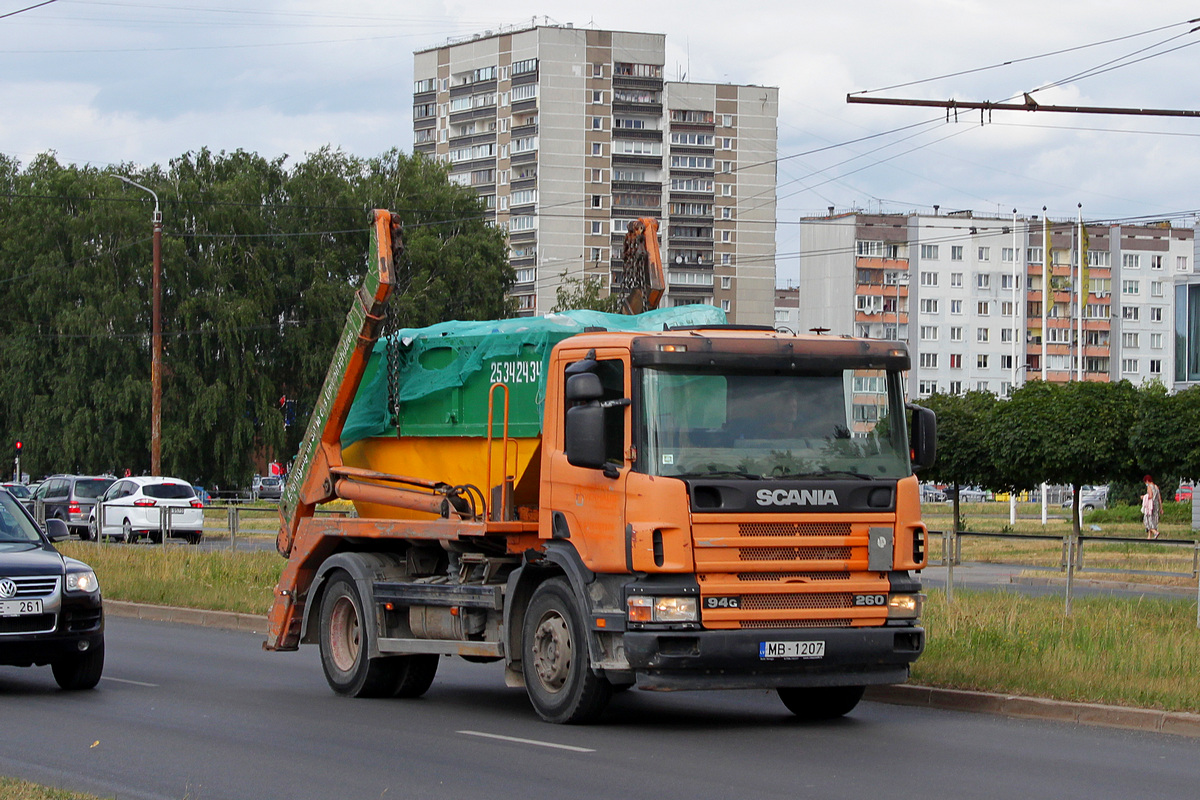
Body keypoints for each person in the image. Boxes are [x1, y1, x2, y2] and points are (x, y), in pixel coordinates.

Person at [1141, 474, 1162, 540]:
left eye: (1145, 482)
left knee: (1147, 520)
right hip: (1156, 506)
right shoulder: (1156, 487)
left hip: (1150, 506)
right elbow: (1159, 498)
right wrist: (1161, 508)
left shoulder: (1149, 487)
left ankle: (1155, 532)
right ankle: (1149, 537)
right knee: (1153, 521)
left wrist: (1143, 497)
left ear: (1147, 481)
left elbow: (1150, 496)